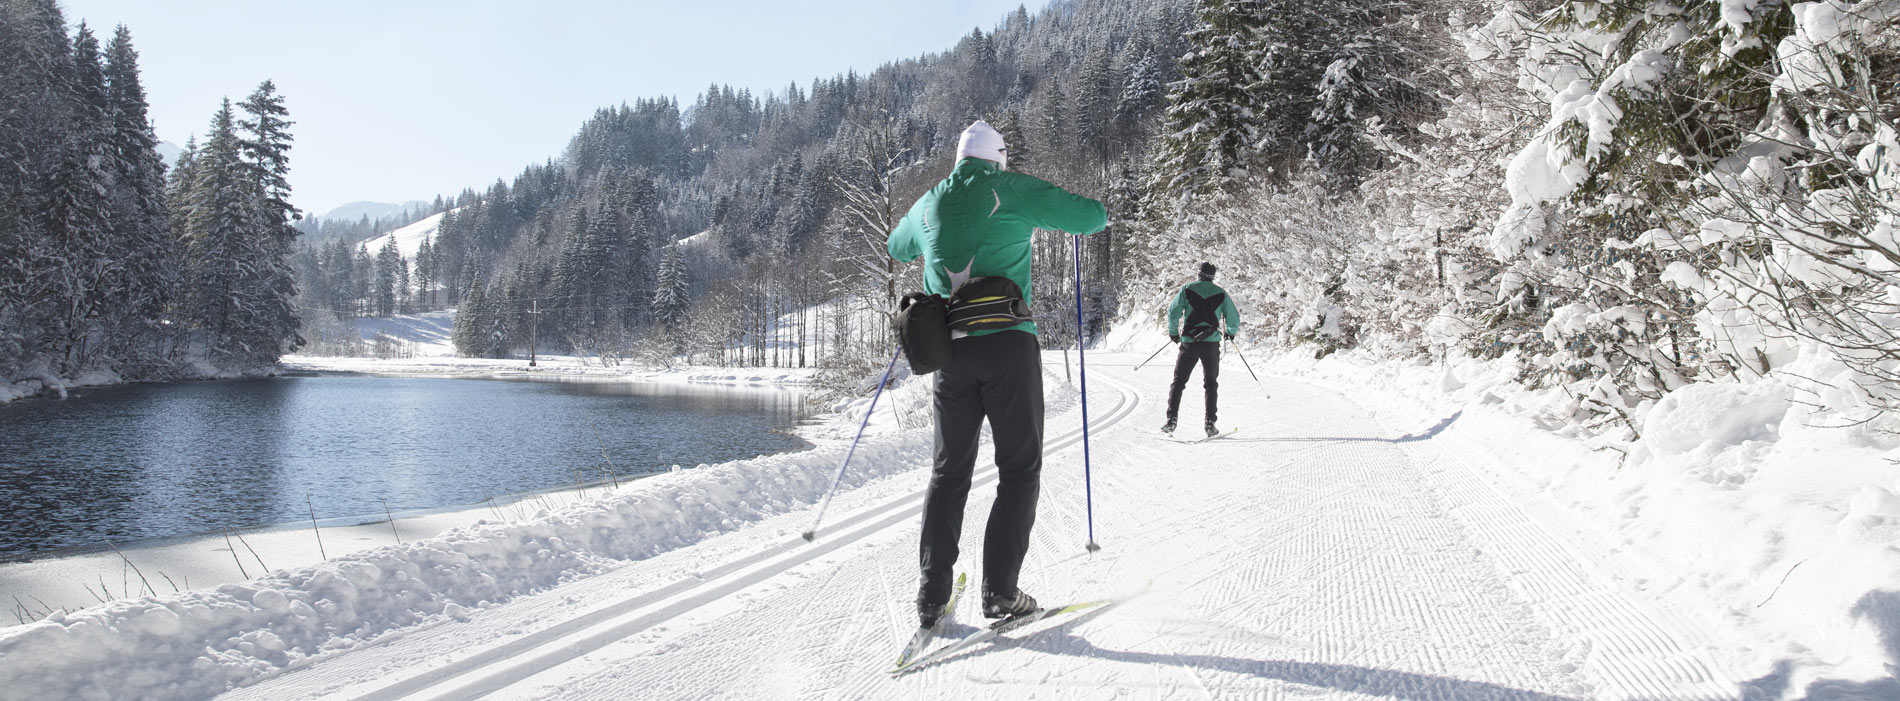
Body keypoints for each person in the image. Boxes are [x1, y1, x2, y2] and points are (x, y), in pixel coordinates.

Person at [887, 120, 1106, 627]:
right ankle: (1000, 593)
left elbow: (899, 247)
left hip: (949, 355)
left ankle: (932, 594)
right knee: (1019, 468)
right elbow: (1092, 218)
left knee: (949, 473)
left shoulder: (929, 201)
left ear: (960, 158)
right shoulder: (1011, 188)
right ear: (998, 158)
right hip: (1008, 346)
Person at [1163, 262, 1240, 437]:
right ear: (1213, 277)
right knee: (1210, 384)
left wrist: (1174, 333)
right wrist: (1230, 332)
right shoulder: (1221, 293)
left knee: (1178, 382)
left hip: (1189, 342)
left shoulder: (1187, 289)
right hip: (1211, 343)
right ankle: (1210, 423)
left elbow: (1173, 312)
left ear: (1199, 274)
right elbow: (1233, 317)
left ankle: (1171, 420)